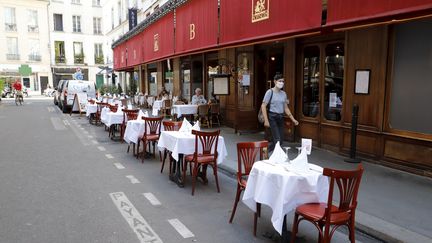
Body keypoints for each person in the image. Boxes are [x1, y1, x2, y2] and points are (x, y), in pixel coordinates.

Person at [261, 73, 299, 152]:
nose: (281, 83)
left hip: (281, 118)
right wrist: (266, 120)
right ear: (275, 81)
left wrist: (293, 119)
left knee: (281, 140)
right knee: (277, 139)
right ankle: (270, 154)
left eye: (283, 81)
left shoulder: (283, 94)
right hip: (272, 117)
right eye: (280, 81)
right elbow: (263, 106)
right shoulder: (269, 92)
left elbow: (286, 108)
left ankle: (266, 151)